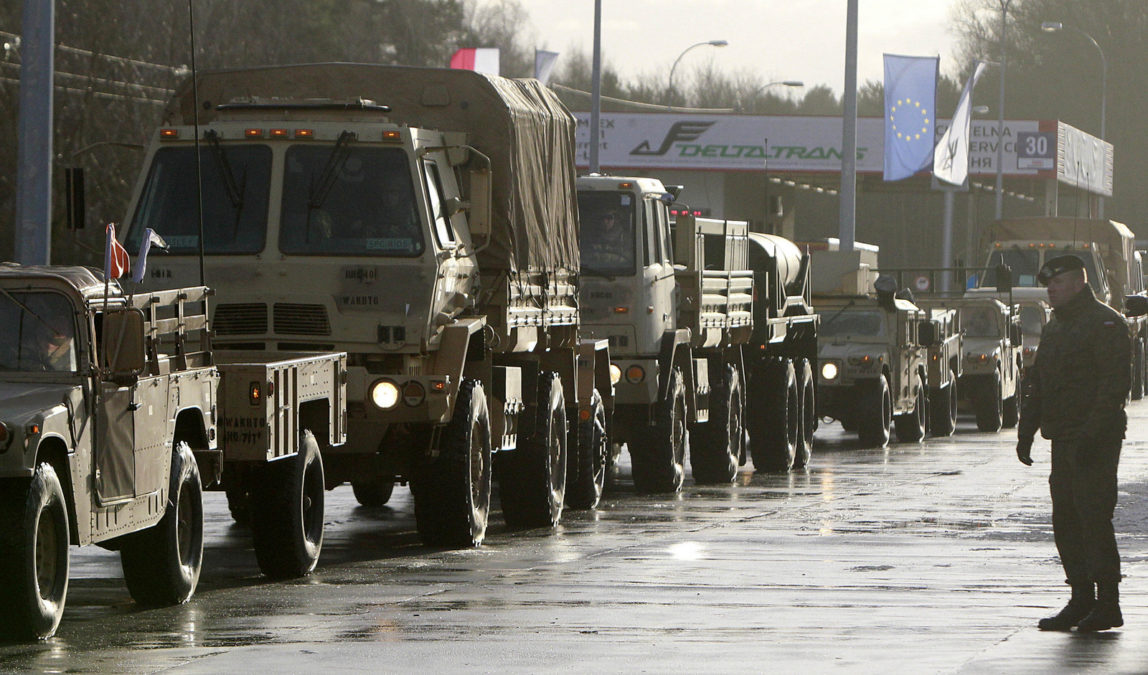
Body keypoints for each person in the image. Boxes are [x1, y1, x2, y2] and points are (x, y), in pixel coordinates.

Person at [1016, 254, 1130, 632]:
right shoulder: (1056, 326)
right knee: (1066, 519)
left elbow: (1113, 388)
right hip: (1063, 438)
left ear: (1079, 284)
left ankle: (1108, 603)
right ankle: (1081, 598)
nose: (1051, 289)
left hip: (1094, 439)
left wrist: (1091, 435)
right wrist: (1026, 430)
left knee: (1093, 517)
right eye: (1049, 284)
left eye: (1058, 283)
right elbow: (1039, 382)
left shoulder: (1105, 322)